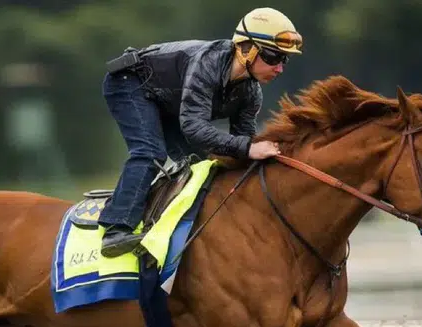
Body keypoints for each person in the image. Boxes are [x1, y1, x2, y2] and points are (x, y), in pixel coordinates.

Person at [97, 7, 303, 258]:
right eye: (273, 57)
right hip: (130, 83)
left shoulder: (251, 93)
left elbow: (240, 147)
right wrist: (249, 147)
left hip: (168, 100)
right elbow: (194, 127)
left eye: (284, 60)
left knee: (201, 165)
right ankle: (116, 228)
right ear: (246, 49)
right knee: (151, 152)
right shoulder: (208, 63)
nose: (279, 68)